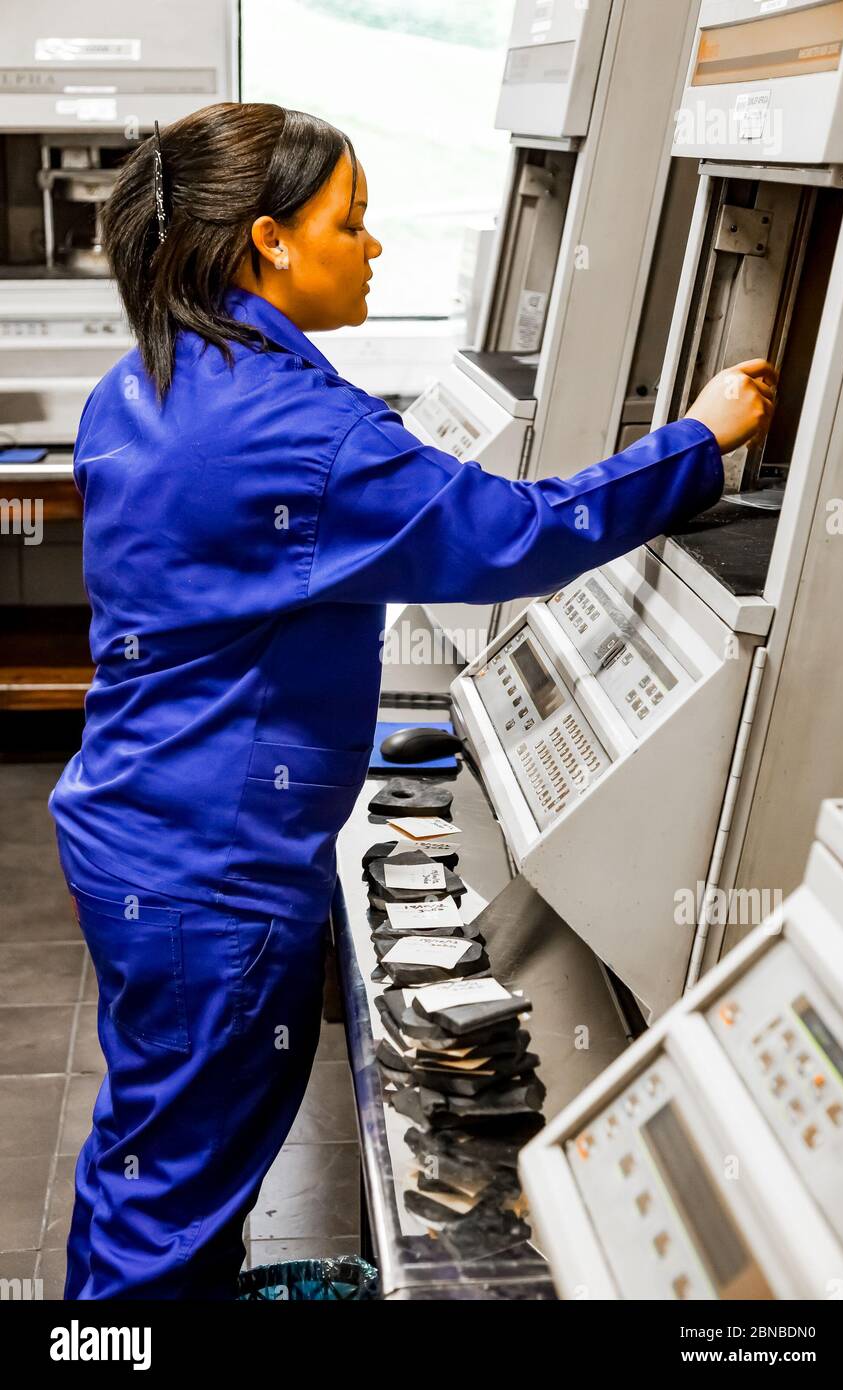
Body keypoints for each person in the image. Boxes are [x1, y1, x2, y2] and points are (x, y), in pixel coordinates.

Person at [48, 102, 776, 1300]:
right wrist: (694, 438)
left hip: (141, 826)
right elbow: (512, 536)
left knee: (158, 1161)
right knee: (165, 1200)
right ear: (271, 241)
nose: (373, 245)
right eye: (353, 219)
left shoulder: (153, 378)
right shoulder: (295, 432)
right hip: (210, 877)